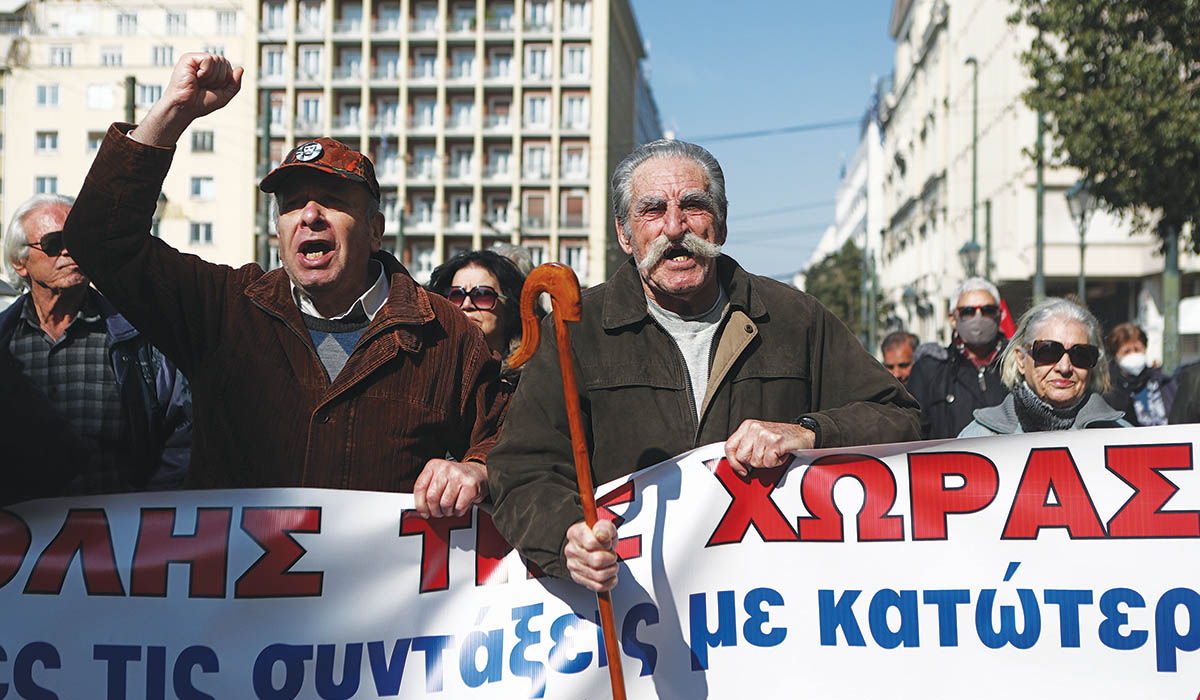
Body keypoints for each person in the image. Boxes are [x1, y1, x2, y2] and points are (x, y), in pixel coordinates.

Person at [62, 53, 507, 518]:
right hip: (240, 592)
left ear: (375, 231)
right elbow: (98, 240)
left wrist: (477, 470)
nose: (309, 215)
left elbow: (511, 439)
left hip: (374, 591)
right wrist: (173, 112)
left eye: (332, 201)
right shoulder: (225, 309)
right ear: (278, 230)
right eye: (292, 205)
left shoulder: (445, 333)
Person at [487, 139, 921, 592]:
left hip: (767, 616)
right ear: (624, 233)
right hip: (634, 614)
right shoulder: (575, 333)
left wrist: (809, 431)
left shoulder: (795, 319)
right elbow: (521, 470)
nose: (675, 228)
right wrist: (566, 538)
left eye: (694, 206)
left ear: (722, 222)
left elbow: (901, 418)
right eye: (652, 211)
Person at [0, 194, 191, 498]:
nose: (69, 251)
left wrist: (152, 510)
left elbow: (183, 432)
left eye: (77, 239)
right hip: (21, 537)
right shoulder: (5, 341)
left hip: (119, 536)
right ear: (19, 262)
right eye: (53, 243)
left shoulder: (136, 336)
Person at [959, 298, 1128, 435]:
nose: (1064, 367)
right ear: (1021, 359)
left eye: (1080, 355)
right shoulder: (979, 437)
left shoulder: (1123, 437)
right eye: (1049, 351)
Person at [906, 277, 1009, 438]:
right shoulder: (929, 370)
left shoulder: (1020, 365)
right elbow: (913, 433)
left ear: (999, 314)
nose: (978, 317)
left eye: (988, 310)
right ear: (953, 318)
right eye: (968, 312)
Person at [428, 250, 527, 384]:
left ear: (509, 306)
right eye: (456, 295)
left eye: (482, 295)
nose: (467, 304)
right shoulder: (430, 369)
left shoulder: (533, 374)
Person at [1102, 322, 1176, 426]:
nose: (1133, 355)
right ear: (1115, 355)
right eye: (1126, 351)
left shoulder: (1164, 383)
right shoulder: (1109, 390)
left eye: (1137, 349)